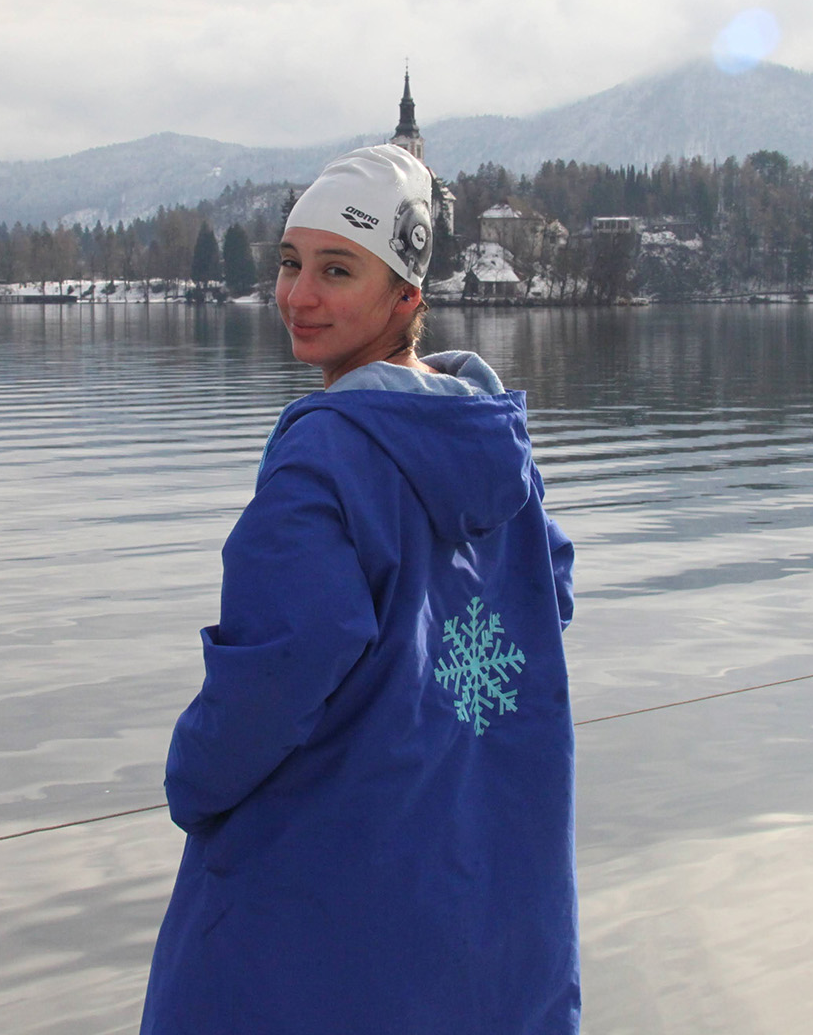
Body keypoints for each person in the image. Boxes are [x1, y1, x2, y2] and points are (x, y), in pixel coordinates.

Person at [138, 143, 579, 1034]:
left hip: (326, 917)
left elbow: (282, 664)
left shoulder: (324, 454)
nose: (299, 295)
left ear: (405, 296)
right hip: (483, 895)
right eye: (290, 264)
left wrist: (191, 780)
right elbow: (550, 589)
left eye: (337, 270)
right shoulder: (499, 451)